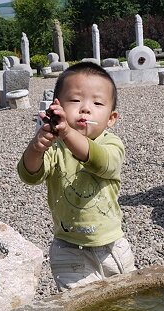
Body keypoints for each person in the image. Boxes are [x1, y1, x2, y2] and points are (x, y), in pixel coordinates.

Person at [18, 62, 135, 291]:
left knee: (125, 298)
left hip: (111, 246)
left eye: (97, 103)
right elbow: (29, 175)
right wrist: (36, 148)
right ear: (56, 107)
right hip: (68, 247)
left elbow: (101, 161)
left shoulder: (111, 143)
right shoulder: (55, 148)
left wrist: (68, 133)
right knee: (80, 305)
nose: (85, 109)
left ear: (111, 118)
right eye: (74, 100)